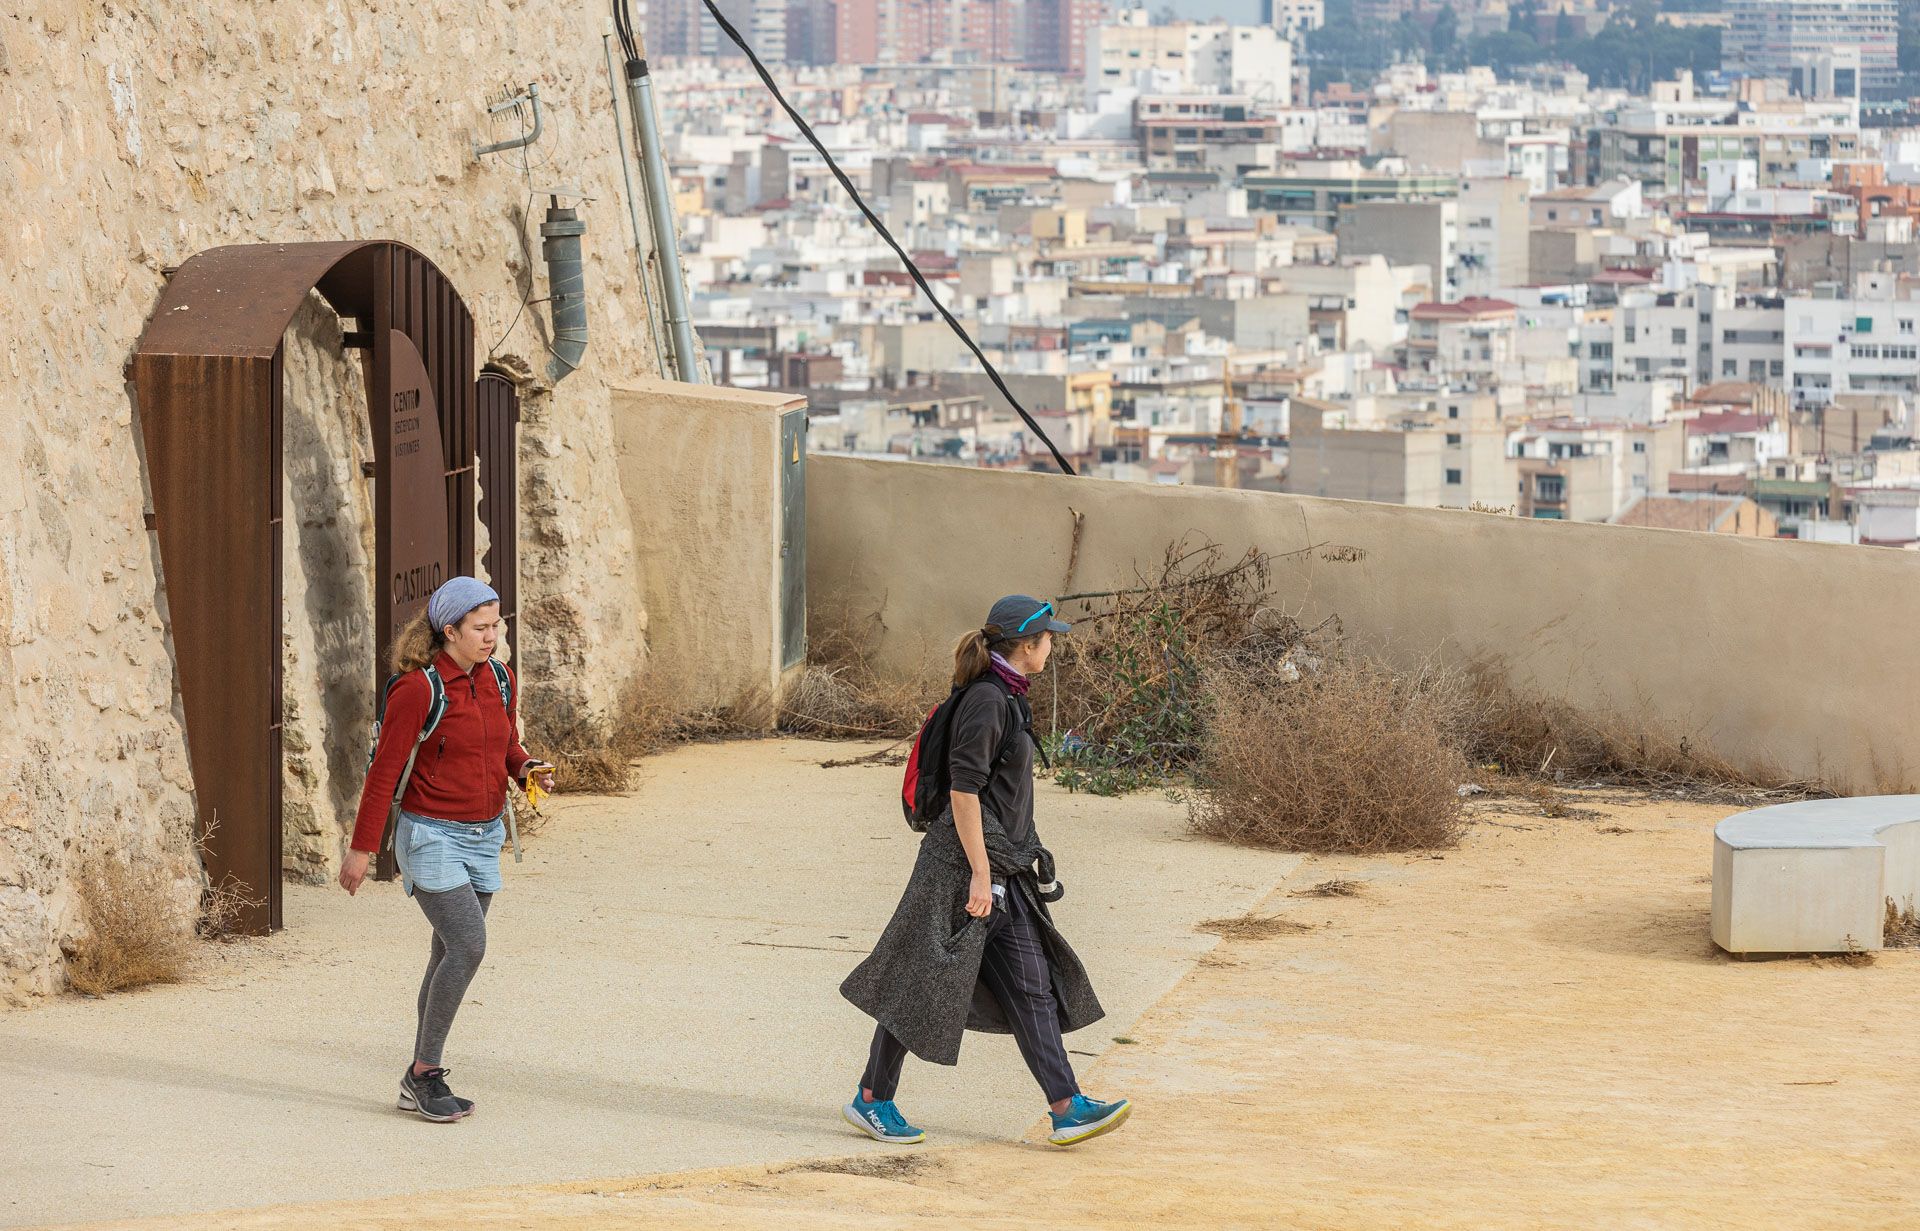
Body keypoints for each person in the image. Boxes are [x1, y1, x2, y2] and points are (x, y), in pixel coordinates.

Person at [839, 595, 1132, 1148]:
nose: (1053, 647)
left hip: (1004, 870)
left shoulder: (1009, 698)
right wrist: (978, 874)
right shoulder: (987, 701)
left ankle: (1067, 1107)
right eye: (1049, 639)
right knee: (920, 980)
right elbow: (963, 791)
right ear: (1027, 645)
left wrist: (1023, 855)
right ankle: (872, 1100)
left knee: (1033, 988)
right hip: (961, 869)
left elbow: (1004, 794)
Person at [339, 576, 554, 1123]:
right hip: (431, 834)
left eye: (496, 625)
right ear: (449, 630)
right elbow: (383, 772)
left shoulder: (499, 679)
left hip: (485, 836)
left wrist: (525, 767)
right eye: (480, 628)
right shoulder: (416, 688)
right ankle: (423, 1073)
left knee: (445, 954)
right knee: (468, 946)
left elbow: (505, 742)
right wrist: (363, 850)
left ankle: (422, 1074)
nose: (493, 636)